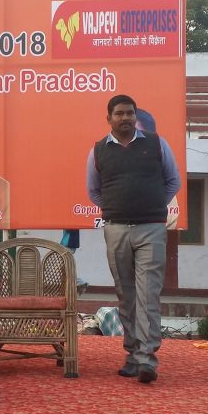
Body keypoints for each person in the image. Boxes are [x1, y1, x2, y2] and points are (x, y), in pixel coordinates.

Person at [86, 94, 180, 384]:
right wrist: (118, 208)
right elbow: (94, 191)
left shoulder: (156, 143)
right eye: (120, 114)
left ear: (135, 116)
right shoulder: (98, 151)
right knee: (126, 296)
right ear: (109, 118)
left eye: (130, 113)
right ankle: (132, 356)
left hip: (151, 229)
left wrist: (152, 205)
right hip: (116, 230)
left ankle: (147, 359)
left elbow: (173, 181)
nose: (125, 118)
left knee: (148, 294)